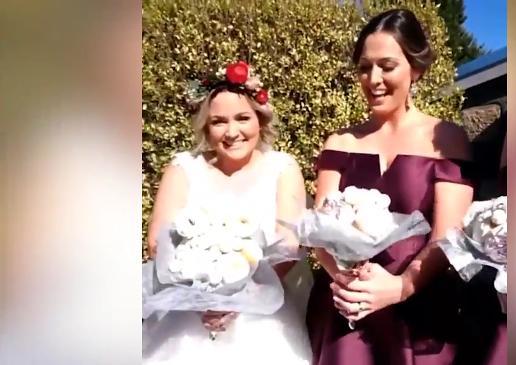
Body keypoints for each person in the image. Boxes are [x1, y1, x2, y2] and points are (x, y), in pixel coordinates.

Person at [306, 9, 474, 365]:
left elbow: (449, 235)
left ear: (415, 69)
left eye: (387, 65)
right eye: (365, 67)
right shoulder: (341, 142)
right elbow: (320, 233)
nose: (374, 78)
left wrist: (401, 287)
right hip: (345, 311)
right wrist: (349, 284)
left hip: (420, 310)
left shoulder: (446, 138)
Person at [143, 61, 312, 364]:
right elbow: (158, 242)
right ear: (206, 126)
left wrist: (236, 298)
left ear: (260, 120)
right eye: (219, 121)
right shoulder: (184, 168)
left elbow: (289, 245)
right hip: (187, 317)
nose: (232, 132)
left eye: (243, 118)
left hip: (262, 318)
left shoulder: (282, 168)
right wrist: (201, 299)